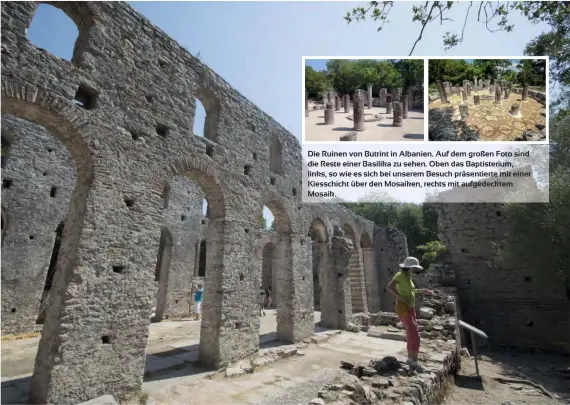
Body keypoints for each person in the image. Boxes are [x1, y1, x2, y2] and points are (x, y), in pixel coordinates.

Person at [386, 256, 434, 373]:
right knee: (414, 333)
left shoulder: (408, 277)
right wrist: (401, 298)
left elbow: (411, 291)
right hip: (404, 307)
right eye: (414, 267)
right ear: (409, 267)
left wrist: (422, 291)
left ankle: (411, 359)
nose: (415, 270)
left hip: (411, 308)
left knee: (411, 333)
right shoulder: (400, 275)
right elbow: (389, 287)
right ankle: (414, 361)